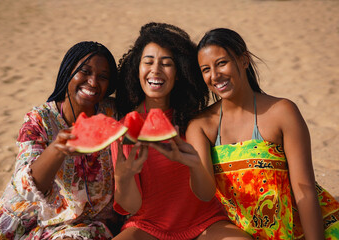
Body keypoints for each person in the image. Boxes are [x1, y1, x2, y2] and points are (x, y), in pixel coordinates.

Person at [187, 28, 339, 239]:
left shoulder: (283, 112)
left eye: (222, 63)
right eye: (205, 69)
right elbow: (204, 193)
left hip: (293, 229)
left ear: (244, 60)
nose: (214, 75)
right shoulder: (201, 125)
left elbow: (304, 189)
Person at [111, 22, 251, 240]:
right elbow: (132, 205)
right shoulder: (126, 129)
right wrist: (123, 177)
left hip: (206, 222)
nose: (155, 70)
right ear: (136, 70)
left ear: (178, 73)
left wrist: (194, 164)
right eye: (148, 62)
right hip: (149, 226)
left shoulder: (194, 120)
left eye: (166, 64)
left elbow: (206, 194)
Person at [0, 41, 122, 239]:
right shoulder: (38, 120)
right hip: (23, 213)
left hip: (85, 225)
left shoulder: (113, 113)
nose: (93, 82)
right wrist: (57, 149)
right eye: (85, 72)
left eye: (103, 77)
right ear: (67, 72)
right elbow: (28, 187)